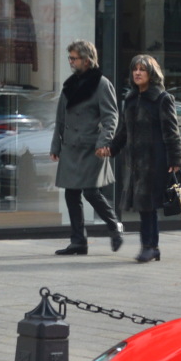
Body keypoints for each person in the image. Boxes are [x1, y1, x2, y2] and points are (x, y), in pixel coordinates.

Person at [109, 54, 181, 263]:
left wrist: (175, 160)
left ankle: (151, 246)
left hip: (155, 161)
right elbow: (124, 131)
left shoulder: (161, 98)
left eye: (143, 69)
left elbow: (172, 132)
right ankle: (150, 247)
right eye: (135, 69)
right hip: (135, 164)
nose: (138, 73)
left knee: (148, 206)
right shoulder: (131, 99)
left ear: (152, 73)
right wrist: (111, 148)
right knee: (143, 207)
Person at [50, 40, 121, 255]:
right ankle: (78, 242)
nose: (71, 62)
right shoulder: (70, 84)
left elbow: (111, 117)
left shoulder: (101, 84)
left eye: (74, 58)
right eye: (70, 58)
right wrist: (56, 145)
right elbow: (61, 117)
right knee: (71, 194)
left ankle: (114, 225)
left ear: (87, 60)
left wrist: (104, 142)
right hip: (71, 147)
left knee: (91, 192)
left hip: (92, 147)